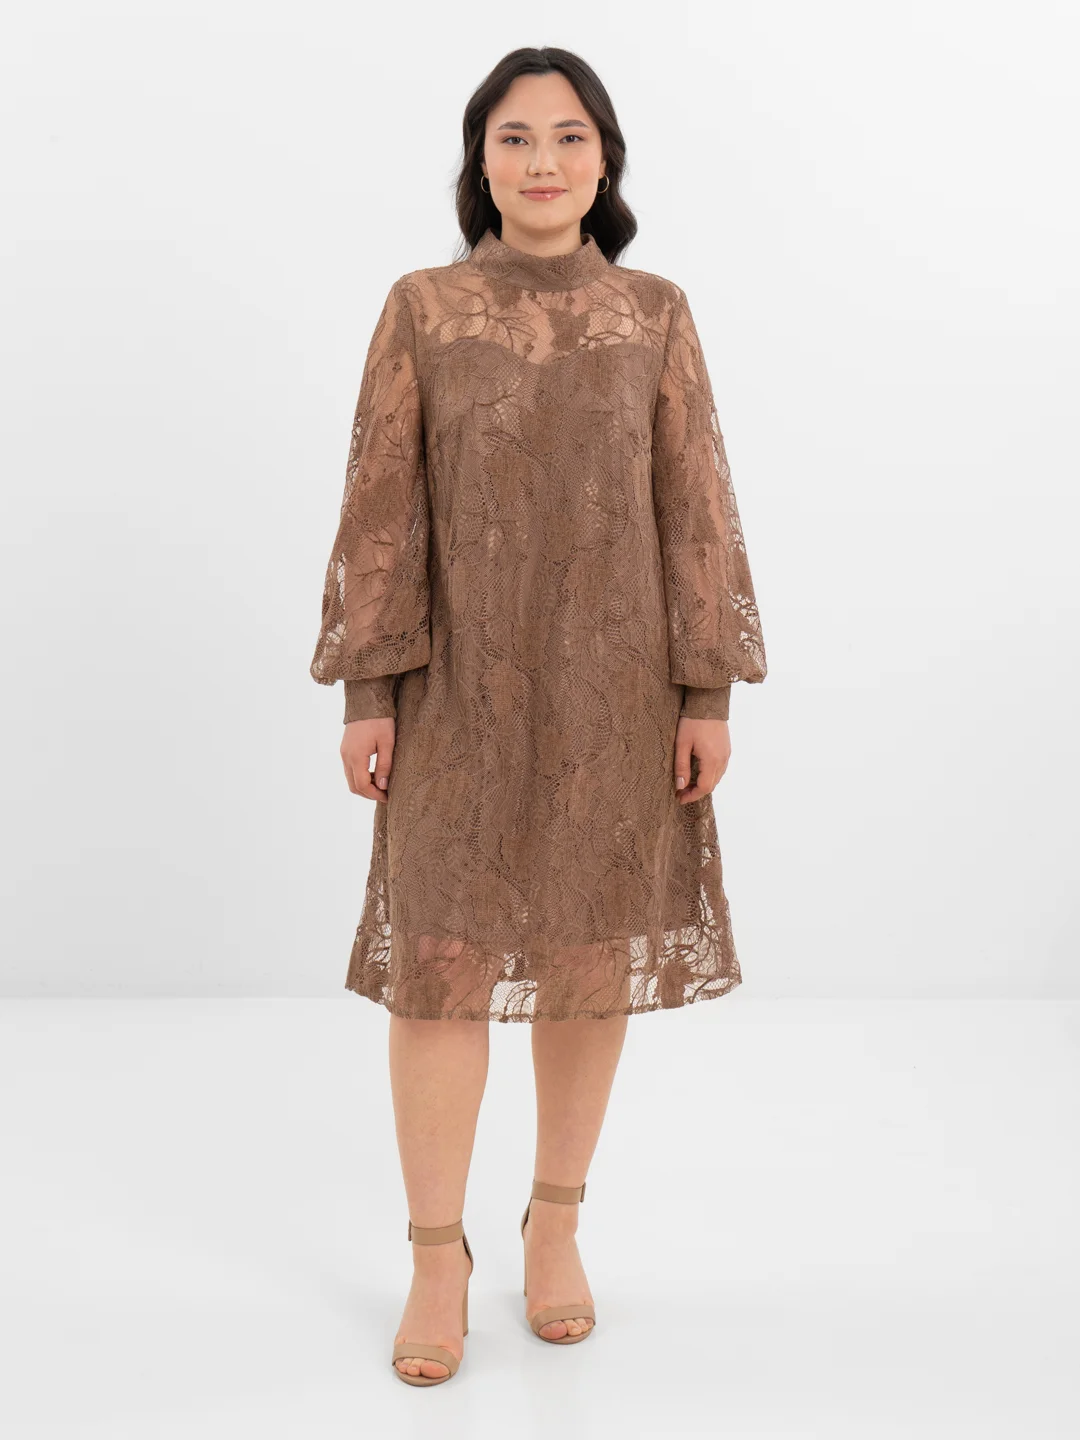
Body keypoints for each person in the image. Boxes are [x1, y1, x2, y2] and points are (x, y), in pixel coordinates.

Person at [309, 46, 767, 1386]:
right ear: (481, 160)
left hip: (618, 699)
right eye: (515, 137)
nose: (544, 160)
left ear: (604, 158)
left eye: (570, 136)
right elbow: (381, 507)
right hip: (454, 690)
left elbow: (697, 505)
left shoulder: (656, 315)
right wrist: (368, 688)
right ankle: (435, 1254)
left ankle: (554, 1224)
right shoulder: (423, 309)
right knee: (439, 966)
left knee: (586, 959)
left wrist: (705, 691)